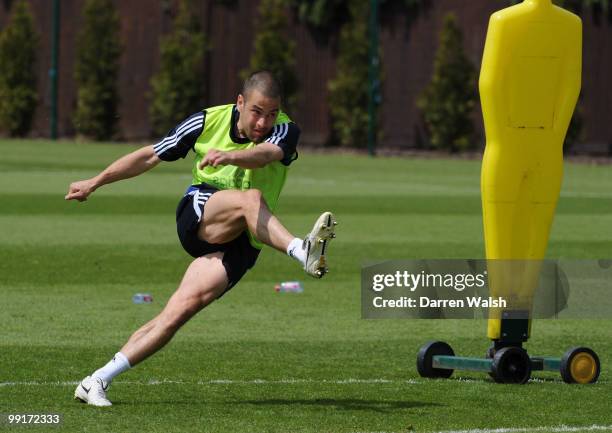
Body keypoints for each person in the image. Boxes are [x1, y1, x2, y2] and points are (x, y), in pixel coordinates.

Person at [66, 70, 336, 407]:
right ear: (240, 103)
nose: (264, 122)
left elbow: (266, 154)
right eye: (256, 111)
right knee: (250, 198)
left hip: (243, 241)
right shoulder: (207, 121)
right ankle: (301, 250)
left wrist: (232, 156)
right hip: (201, 214)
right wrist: (95, 181)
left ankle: (96, 381)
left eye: (271, 113)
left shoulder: (286, 129)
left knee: (177, 313)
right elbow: (151, 155)